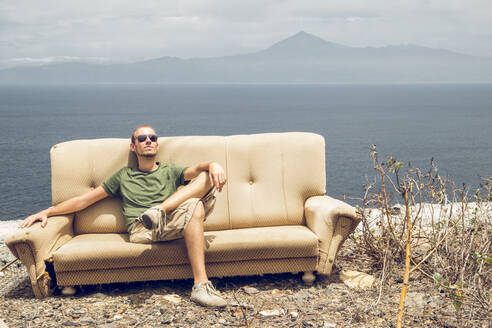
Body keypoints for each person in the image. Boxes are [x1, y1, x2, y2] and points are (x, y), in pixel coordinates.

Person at [19, 124, 228, 307]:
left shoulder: (170, 171)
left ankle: (159, 210)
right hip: (142, 228)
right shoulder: (124, 176)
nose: (148, 141)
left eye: (152, 138)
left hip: (168, 219)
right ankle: (200, 286)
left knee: (204, 180)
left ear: (157, 145)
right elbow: (84, 201)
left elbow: (201, 173)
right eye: (142, 138)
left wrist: (212, 164)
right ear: (133, 146)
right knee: (195, 207)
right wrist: (47, 211)